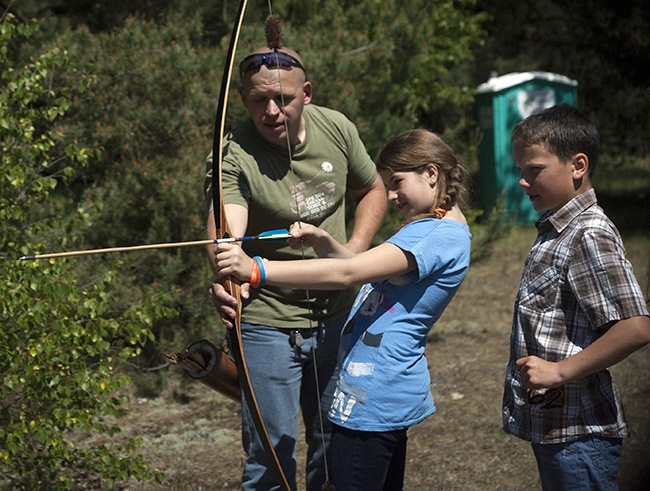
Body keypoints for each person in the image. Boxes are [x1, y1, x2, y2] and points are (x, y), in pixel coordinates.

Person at [215, 129, 472, 490]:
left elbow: (348, 273)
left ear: (432, 173)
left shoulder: (436, 235)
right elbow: (360, 265)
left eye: (397, 183)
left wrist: (256, 270)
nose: (393, 196)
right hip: (381, 391)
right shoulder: (438, 229)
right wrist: (324, 241)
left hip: (374, 397)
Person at [204, 46, 387, 491]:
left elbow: (372, 188)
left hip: (339, 314)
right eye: (257, 100)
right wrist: (228, 262)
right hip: (267, 323)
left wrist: (354, 252)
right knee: (272, 453)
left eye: (283, 98)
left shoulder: (337, 127)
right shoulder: (232, 153)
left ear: (305, 93)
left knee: (334, 446)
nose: (271, 111)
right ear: (244, 98)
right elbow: (226, 231)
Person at [501, 104, 650, 490]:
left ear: (577, 166)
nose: (522, 181)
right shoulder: (557, 228)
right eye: (520, 171)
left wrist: (559, 371)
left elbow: (635, 327)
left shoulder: (588, 233)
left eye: (534, 170)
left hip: (579, 433)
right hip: (557, 426)